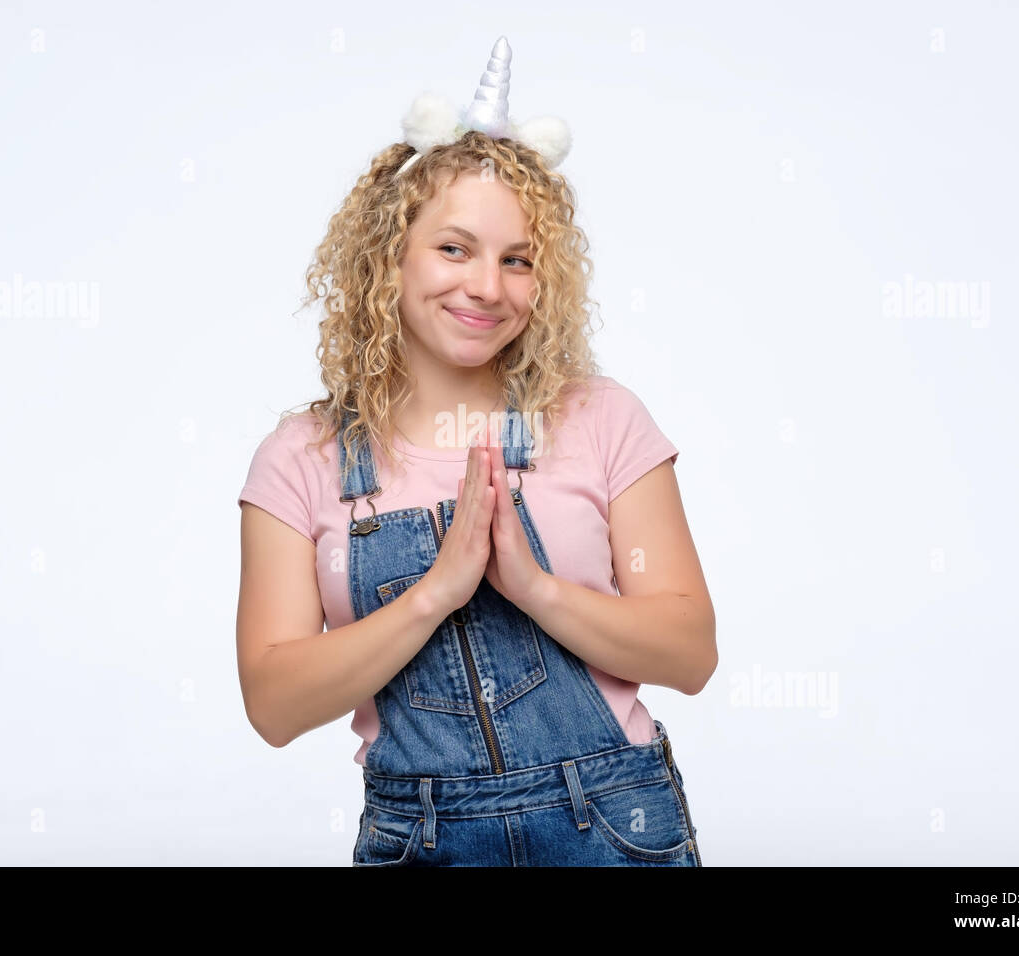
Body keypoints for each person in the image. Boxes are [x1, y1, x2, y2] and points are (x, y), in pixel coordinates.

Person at [235, 37, 717, 866]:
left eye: (517, 260)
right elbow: (274, 705)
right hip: (420, 838)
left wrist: (532, 588)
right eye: (454, 248)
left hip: (610, 828)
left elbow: (690, 652)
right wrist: (435, 594)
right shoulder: (301, 460)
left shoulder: (602, 420)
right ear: (390, 257)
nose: (487, 287)